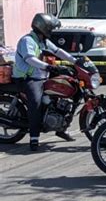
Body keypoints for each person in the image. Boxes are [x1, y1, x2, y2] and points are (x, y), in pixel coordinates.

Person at [12, 13, 77, 151]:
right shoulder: (27, 41)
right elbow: (30, 59)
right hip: (27, 79)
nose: (52, 31)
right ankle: (34, 137)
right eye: (51, 28)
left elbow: (58, 51)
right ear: (43, 28)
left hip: (41, 76)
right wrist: (48, 67)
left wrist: (76, 61)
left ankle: (61, 128)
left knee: (60, 96)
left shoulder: (42, 40)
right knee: (36, 102)